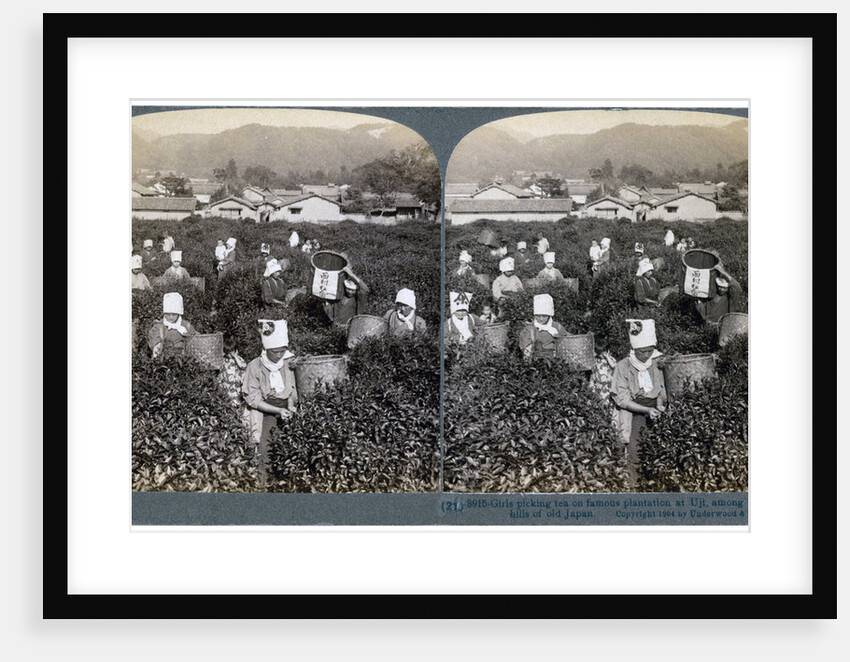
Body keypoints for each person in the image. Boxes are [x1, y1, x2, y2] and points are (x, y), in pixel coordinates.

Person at [611, 319, 667, 489]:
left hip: (656, 410)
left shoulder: (657, 362)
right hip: (635, 411)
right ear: (634, 350)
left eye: (650, 351)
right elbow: (622, 399)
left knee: (659, 450)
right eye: (643, 352)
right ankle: (633, 486)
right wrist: (646, 410)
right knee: (635, 451)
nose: (647, 355)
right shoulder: (623, 366)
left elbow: (663, 387)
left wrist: (659, 404)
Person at [241, 319, 298, 488]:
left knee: (290, 449)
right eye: (275, 352)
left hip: (287, 409)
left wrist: (290, 405)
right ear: (266, 350)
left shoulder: (288, 363)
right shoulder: (255, 366)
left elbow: (293, 388)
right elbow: (253, 399)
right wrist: (277, 411)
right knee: (266, 450)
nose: (279, 355)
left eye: (282, 351)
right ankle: (262, 485)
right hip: (266, 412)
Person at [147, 292, 197, 359]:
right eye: (167, 314)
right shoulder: (159, 326)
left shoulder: (186, 325)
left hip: (183, 359)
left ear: (179, 314)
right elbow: (155, 339)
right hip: (164, 358)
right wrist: (157, 346)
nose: (170, 317)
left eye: (173, 314)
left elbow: (196, 338)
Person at [518, 293, 566, 361]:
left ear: (549, 316)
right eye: (538, 316)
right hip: (536, 361)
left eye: (544, 316)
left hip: (555, 360)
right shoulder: (529, 329)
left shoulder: (557, 327)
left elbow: (567, 340)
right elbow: (525, 346)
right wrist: (527, 348)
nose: (541, 319)